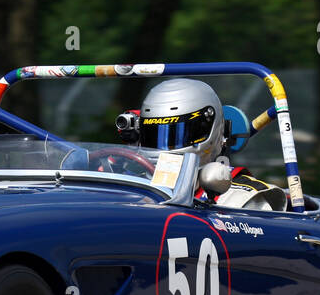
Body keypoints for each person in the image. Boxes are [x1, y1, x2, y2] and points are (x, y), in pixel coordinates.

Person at [116, 77, 287, 210]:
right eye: (156, 134)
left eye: (178, 133)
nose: (165, 147)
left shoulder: (241, 199)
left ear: (209, 128)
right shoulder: (130, 187)